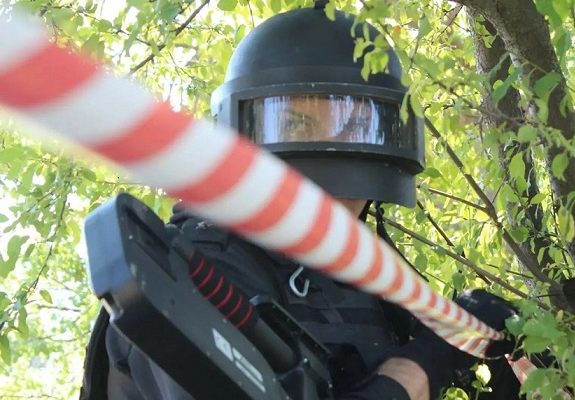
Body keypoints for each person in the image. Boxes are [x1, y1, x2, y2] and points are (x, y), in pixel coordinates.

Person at [80, 3, 522, 400]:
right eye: (294, 124)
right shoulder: (191, 272)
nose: (330, 156)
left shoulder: (364, 271)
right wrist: (430, 359)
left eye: (354, 129)